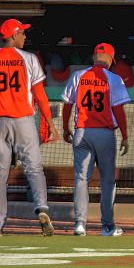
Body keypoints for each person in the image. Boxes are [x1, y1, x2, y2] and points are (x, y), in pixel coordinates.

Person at [62, 43, 130, 236]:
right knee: (107, 180)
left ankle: (80, 224)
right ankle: (107, 226)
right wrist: (125, 136)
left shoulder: (78, 76)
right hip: (104, 134)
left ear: (94, 57)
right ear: (110, 60)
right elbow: (118, 109)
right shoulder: (114, 79)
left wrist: (65, 127)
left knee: (81, 179)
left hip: (82, 133)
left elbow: (67, 104)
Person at [0, 19, 58, 236]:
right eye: (22, 33)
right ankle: (42, 209)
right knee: (34, 168)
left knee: (0, 174)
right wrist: (51, 124)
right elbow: (40, 96)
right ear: (13, 35)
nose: (24, 36)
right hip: (23, 119)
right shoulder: (29, 58)